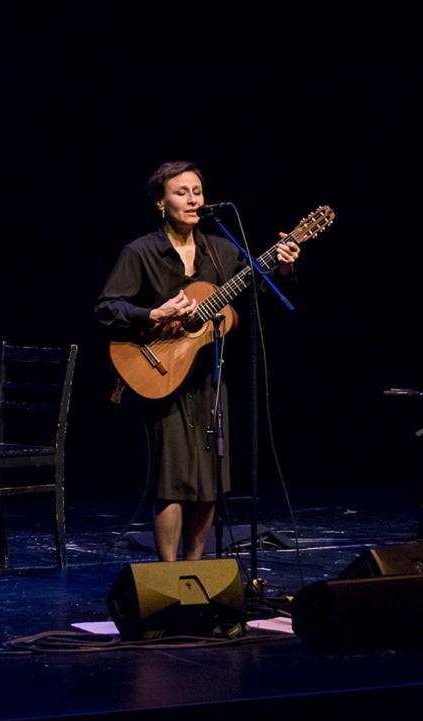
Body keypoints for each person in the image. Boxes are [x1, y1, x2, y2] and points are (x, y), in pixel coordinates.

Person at [95, 161, 300, 562]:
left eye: (197, 192)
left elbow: (257, 288)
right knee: (172, 482)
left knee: (209, 482)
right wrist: (153, 314)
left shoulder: (220, 251)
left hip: (208, 379)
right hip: (161, 376)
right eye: (181, 192)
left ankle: (196, 571)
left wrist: (283, 266)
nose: (192, 200)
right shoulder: (140, 252)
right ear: (161, 203)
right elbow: (106, 308)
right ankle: (169, 574)